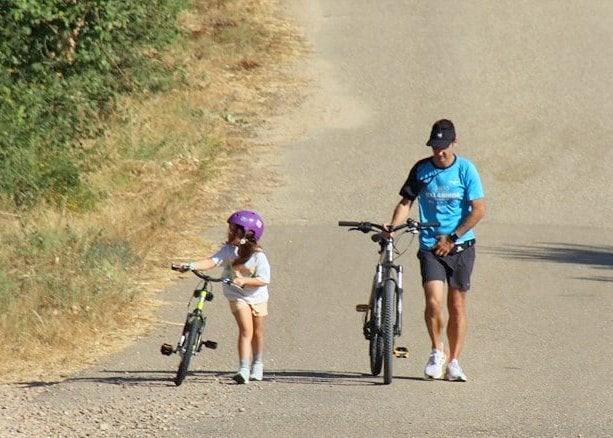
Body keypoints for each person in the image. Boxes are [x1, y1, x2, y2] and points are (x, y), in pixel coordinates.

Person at [387, 119, 485, 382]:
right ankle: (436, 351)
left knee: (457, 305)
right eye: (434, 147)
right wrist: (392, 227)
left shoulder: (466, 170)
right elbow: (406, 202)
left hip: (461, 246)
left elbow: (479, 210)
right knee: (433, 300)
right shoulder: (422, 169)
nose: (439, 152)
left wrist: (453, 237)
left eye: (443, 146)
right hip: (430, 246)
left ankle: (454, 361)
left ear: (454, 143)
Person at [179, 210, 270, 384]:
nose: (229, 233)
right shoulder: (228, 250)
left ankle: (257, 363)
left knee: (257, 332)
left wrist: (244, 280)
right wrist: (191, 265)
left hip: (257, 296)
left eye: (234, 230)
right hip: (236, 295)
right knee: (246, 330)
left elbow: (264, 280)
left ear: (247, 234)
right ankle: (243, 369)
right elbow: (211, 261)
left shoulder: (258, 256)